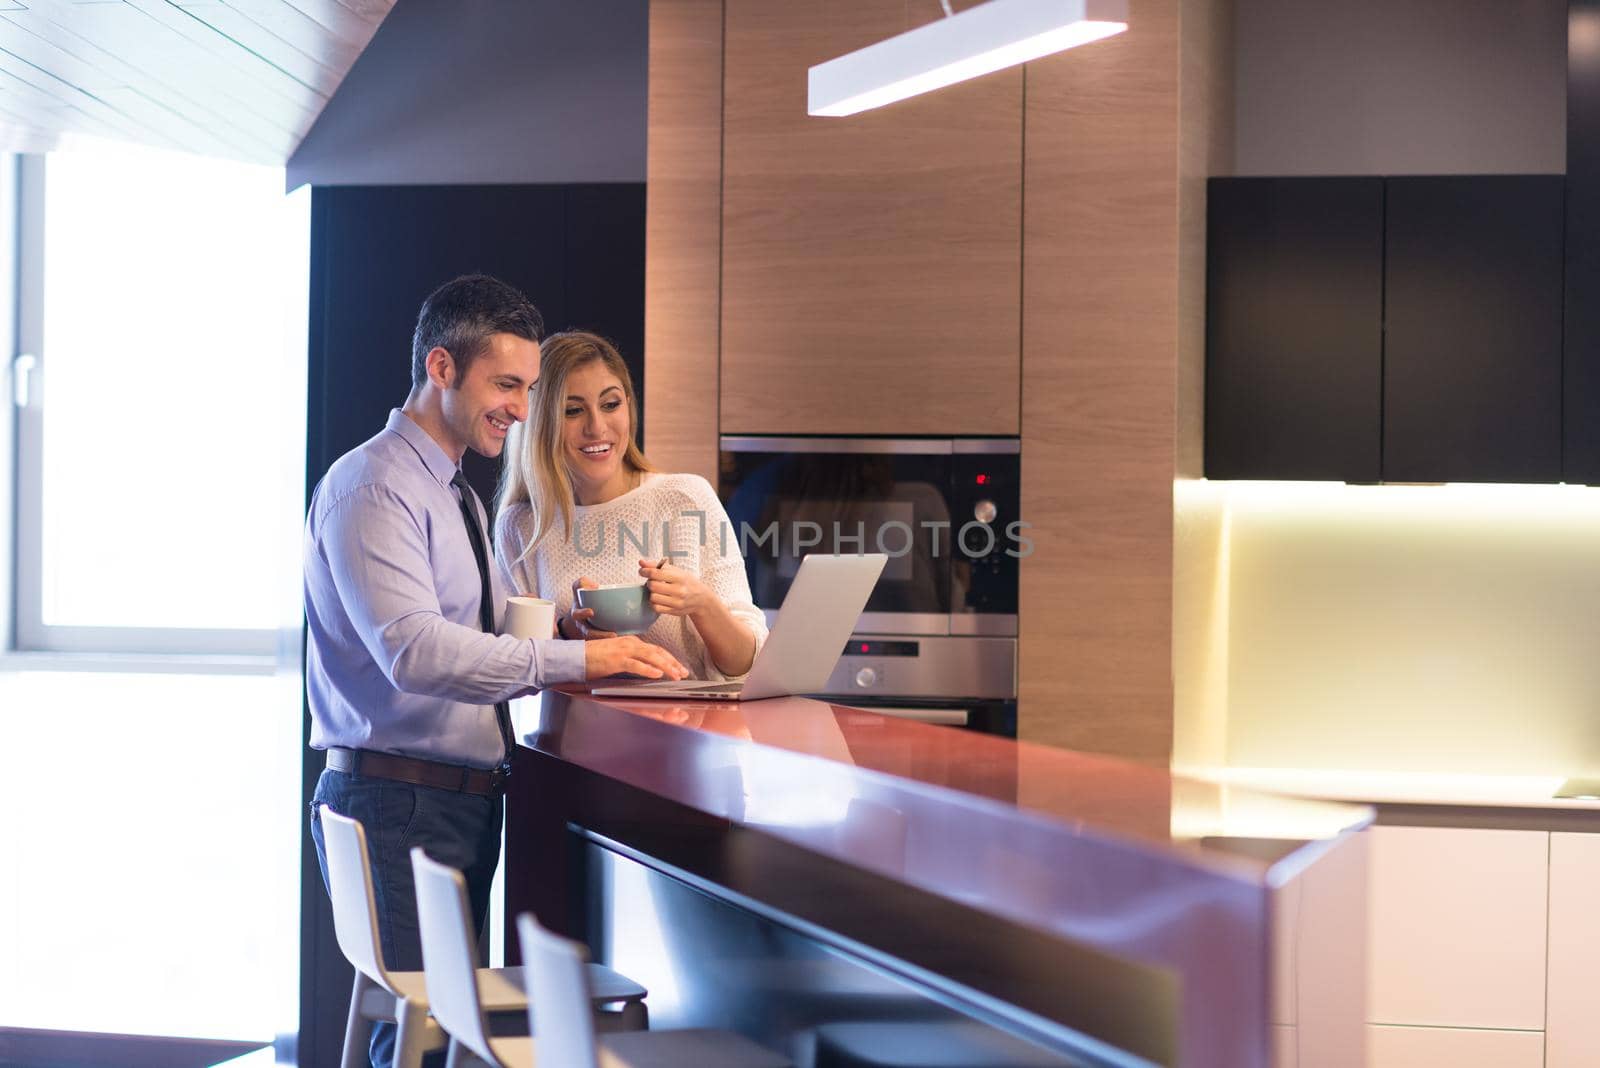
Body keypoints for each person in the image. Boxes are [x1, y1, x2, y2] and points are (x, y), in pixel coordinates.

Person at [302, 277, 687, 1068]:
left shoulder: (456, 496)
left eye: (527, 387)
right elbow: (415, 651)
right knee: (420, 1041)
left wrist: (567, 621)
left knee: (427, 1040)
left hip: (439, 804)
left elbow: (479, 628)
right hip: (400, 803)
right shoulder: (375, 486)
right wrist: (583, 657)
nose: (520, 408)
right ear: (441, 368)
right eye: (505, 385)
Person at [494, 330, 767, 679]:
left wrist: (701, 603)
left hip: (687, 728)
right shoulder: (521, 526)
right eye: (573, 411)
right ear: (541, 422)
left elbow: (747, 664)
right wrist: (569, 633)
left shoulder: (685, 499)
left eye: (611, 404)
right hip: (569, 729)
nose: (597, 427)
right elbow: (515, 669)